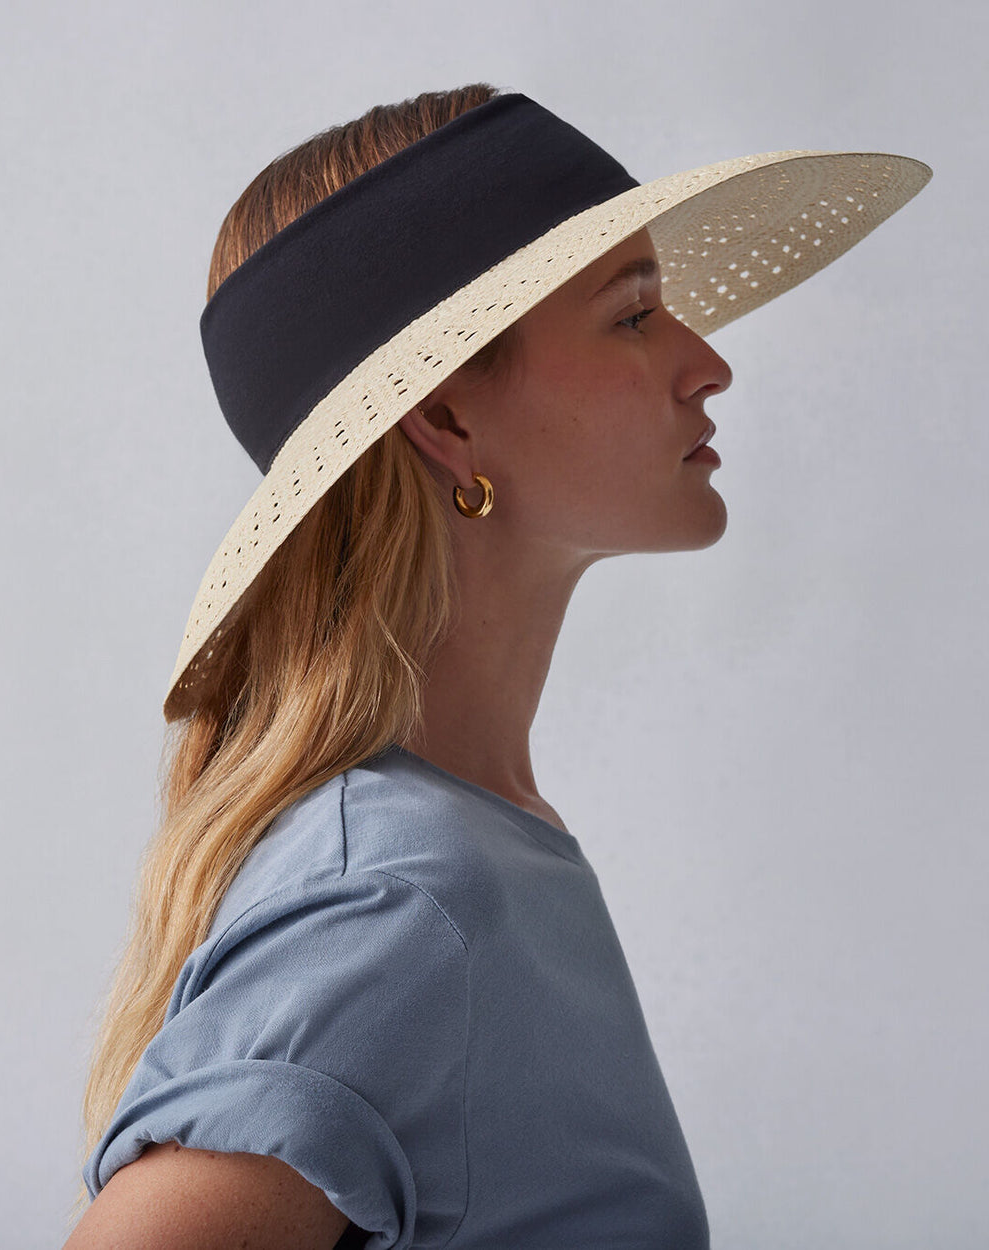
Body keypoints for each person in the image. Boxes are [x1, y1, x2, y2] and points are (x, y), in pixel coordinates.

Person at [64, 83, 931, 1249]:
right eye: (633, 317)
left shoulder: (473, 849)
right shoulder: (403, 898)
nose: (706, 363)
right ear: (448, 422)